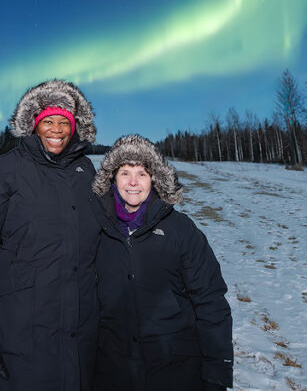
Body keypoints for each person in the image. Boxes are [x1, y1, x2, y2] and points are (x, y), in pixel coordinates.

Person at [0, 79, 101, 391]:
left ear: (75, 126)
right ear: (34, 124)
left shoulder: (86, 171)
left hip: (80, 333)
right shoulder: (4, 172)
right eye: (48, 121)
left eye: (64, 122)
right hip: (22, 334)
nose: (56, 130)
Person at [91, 134, 233, 391]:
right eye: (125, 173)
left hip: (175, 368)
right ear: (112, 178)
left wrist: (217, 372)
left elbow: (210, 300)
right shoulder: (97, 229)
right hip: (113, 370)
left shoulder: (181, 230)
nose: (133, 182)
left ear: (154, 179)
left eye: (142, 174)